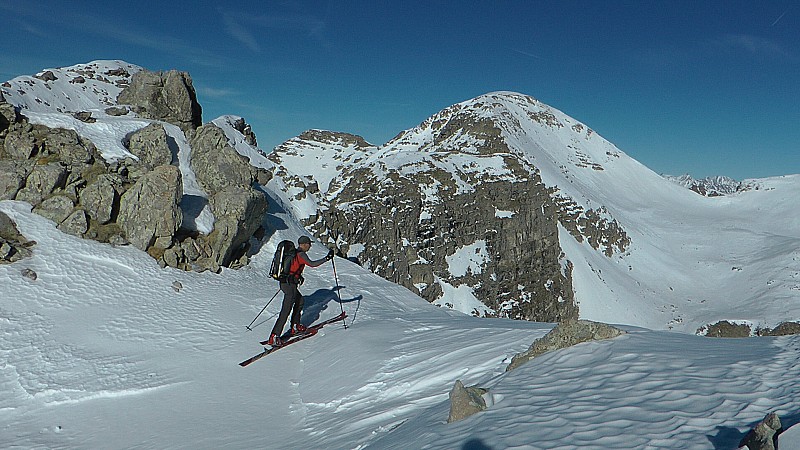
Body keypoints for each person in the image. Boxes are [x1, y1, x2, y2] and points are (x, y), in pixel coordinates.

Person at [266, 236, 334, 346]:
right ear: (304, 244)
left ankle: (295, 326)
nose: (310, 246)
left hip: (286, 283)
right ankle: (274, 336)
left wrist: (298, 277)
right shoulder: (301, 254)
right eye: (309, 244)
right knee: (286, 310)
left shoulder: (294, 253)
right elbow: (312, 264)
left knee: (300, 300)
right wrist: (326, 258)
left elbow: (294, 267)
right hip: (290, 285)